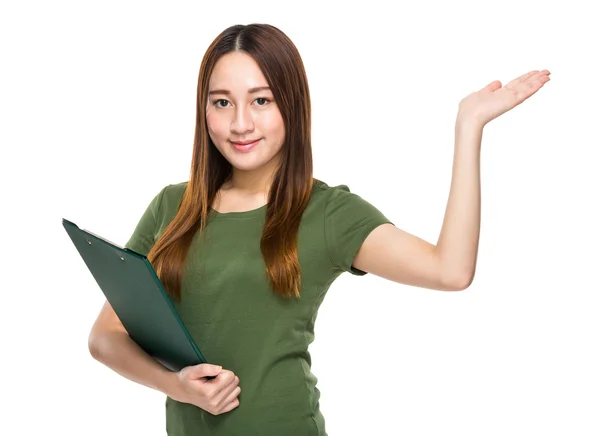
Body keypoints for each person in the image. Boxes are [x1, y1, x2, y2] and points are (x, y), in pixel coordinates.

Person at [87, 23, 550, 436]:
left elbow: (450, 270)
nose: (240, 123)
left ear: (292, 104)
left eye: (261, 100)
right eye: (222, 102)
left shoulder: (325, 212)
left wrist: (468, 128)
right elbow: (105, 336)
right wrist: (178, 388)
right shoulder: (174, 207)